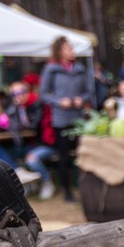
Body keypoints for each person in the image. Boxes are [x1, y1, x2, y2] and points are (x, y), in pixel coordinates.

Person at [40, 36, 90, 201]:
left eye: (72, 47)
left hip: (79, 118)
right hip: (61, 120)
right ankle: (67, 191)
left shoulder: (80, 69)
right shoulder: (51, 70)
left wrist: (81, 99)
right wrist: (59, 101)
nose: (72, 51)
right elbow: (44, 94)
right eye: (68, 48)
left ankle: (86, 187)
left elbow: (89, 91)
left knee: (84, 154)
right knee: (64, 156)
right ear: (60, 51)